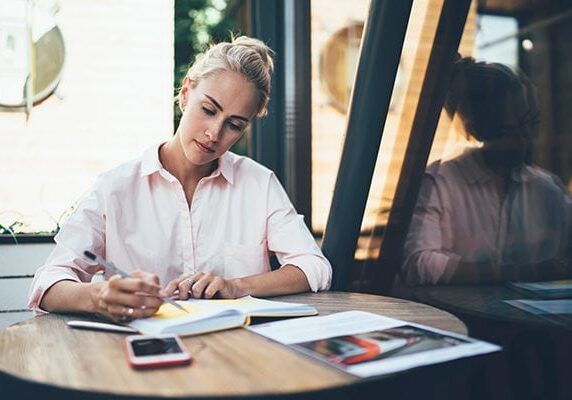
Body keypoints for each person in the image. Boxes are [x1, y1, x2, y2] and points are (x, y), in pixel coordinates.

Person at [28, 36, 332, 322]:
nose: (214, 134)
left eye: (235, 125)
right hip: (142, 358)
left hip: (237, 356)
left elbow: (314, 267)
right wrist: (99, 295)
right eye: (208, 110)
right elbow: (48, 284)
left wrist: (236, 286)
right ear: (186, 93)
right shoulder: (116, 188)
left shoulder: (258, 183)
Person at [401, 57, 572, 285]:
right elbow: (419, 263)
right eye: (509, 131)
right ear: (478, 130)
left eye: (529, 125)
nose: (525, 141)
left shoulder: (546, 189)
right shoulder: (440, 183)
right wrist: (521, 272)